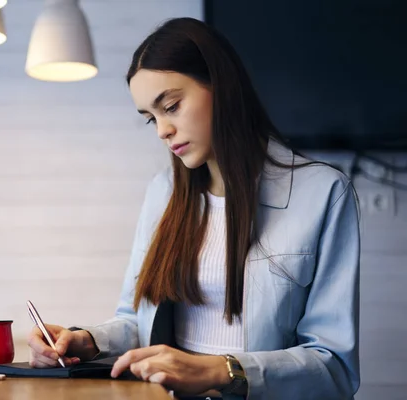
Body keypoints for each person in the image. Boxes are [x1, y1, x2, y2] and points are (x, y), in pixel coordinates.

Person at [27, 17, 360, 400]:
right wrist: (85, 341)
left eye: (171, 106)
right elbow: (138, 322)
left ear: (222, 87)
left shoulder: (323, 194)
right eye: (151, 118)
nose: (162, 130)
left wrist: (221, 370)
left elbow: (334, 366)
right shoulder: (164, 192)